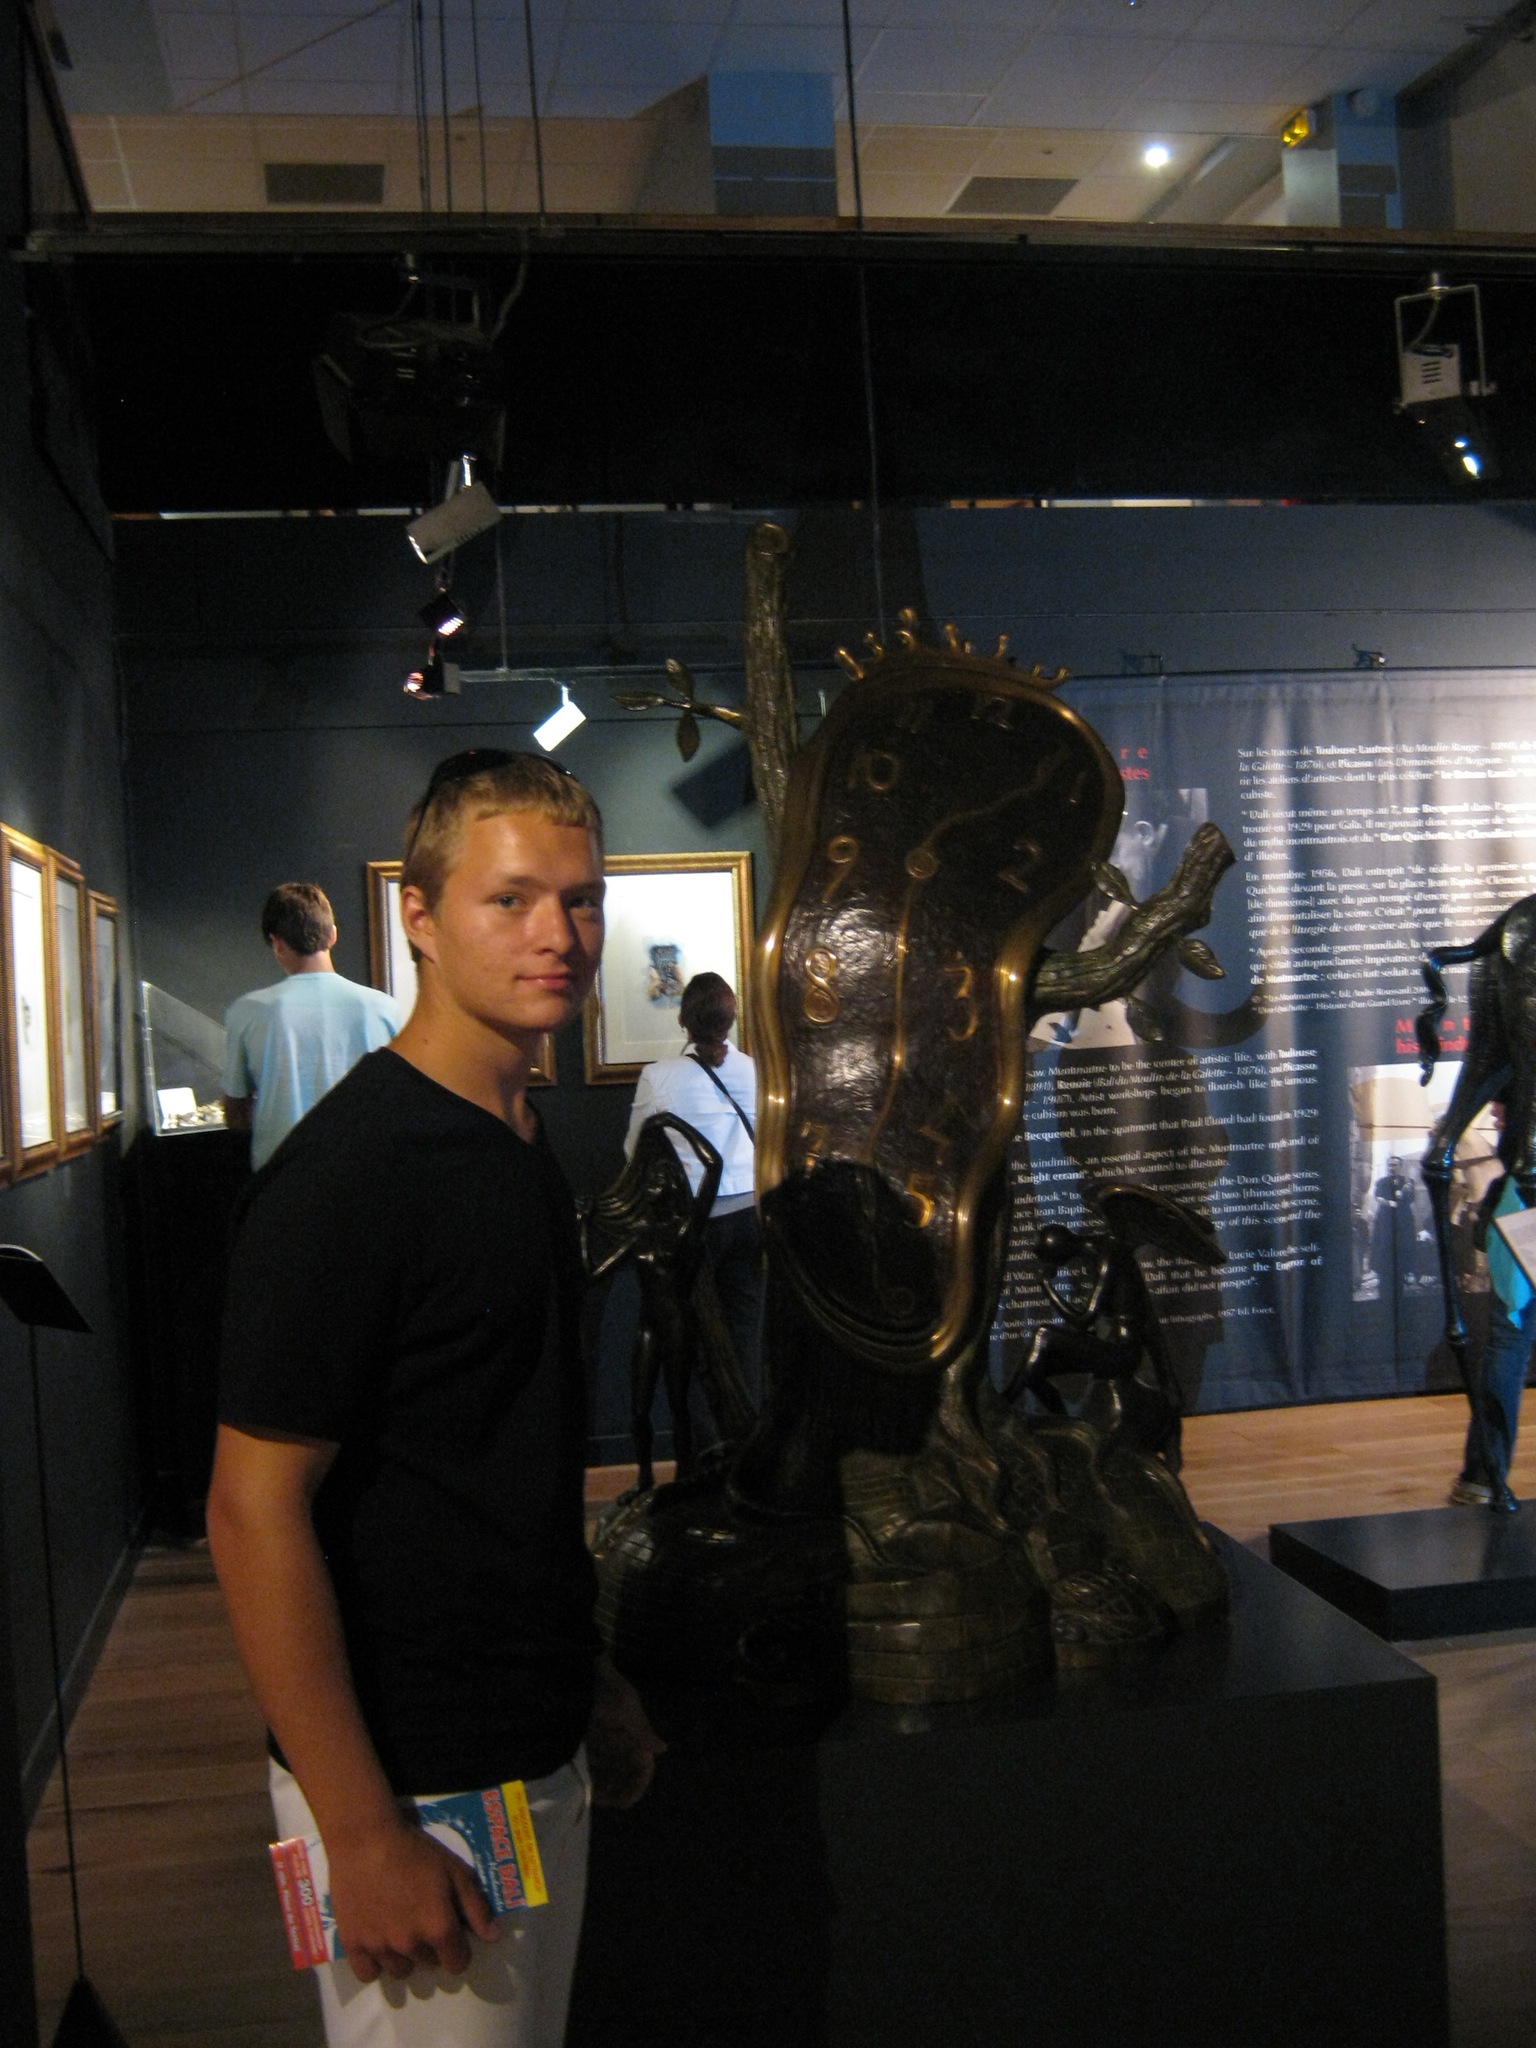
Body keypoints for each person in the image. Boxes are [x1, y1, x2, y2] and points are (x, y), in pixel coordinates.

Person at [206, 751, 664, 2048]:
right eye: (509, 899)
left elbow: (493, 1464)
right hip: (416, 1786)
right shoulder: (356, 1172)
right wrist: (360, 1832)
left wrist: (585, 1677)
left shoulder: (511, 1138)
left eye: (580, 900)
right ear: (418, 915)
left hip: (523, 1743)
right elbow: (250, 1508)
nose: (557, 935)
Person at [624, 972, 763, 1400]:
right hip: (753, 1214)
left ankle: (707, 1433)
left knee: (698, 1334)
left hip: (698, 1220)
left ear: (682, 1019)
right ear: (731, 1018)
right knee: (747, 1328)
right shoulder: (755, 1070)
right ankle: (749, 1426)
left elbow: (635, 1150)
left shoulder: (659, 1077)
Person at [222, 882, 401, 1169]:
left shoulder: (247, 1011)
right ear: (333, 934)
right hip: (368, 1170)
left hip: (283, 1175)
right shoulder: (385, 1008)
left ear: (277, 943)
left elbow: (235, 1113)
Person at [1451, 1103, 1533, 1508]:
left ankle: (1481, 1478)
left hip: (1519, 1206)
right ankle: (1481, 1476)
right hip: (1520, 1210)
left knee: (1507, 1345)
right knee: (1507, 1344)